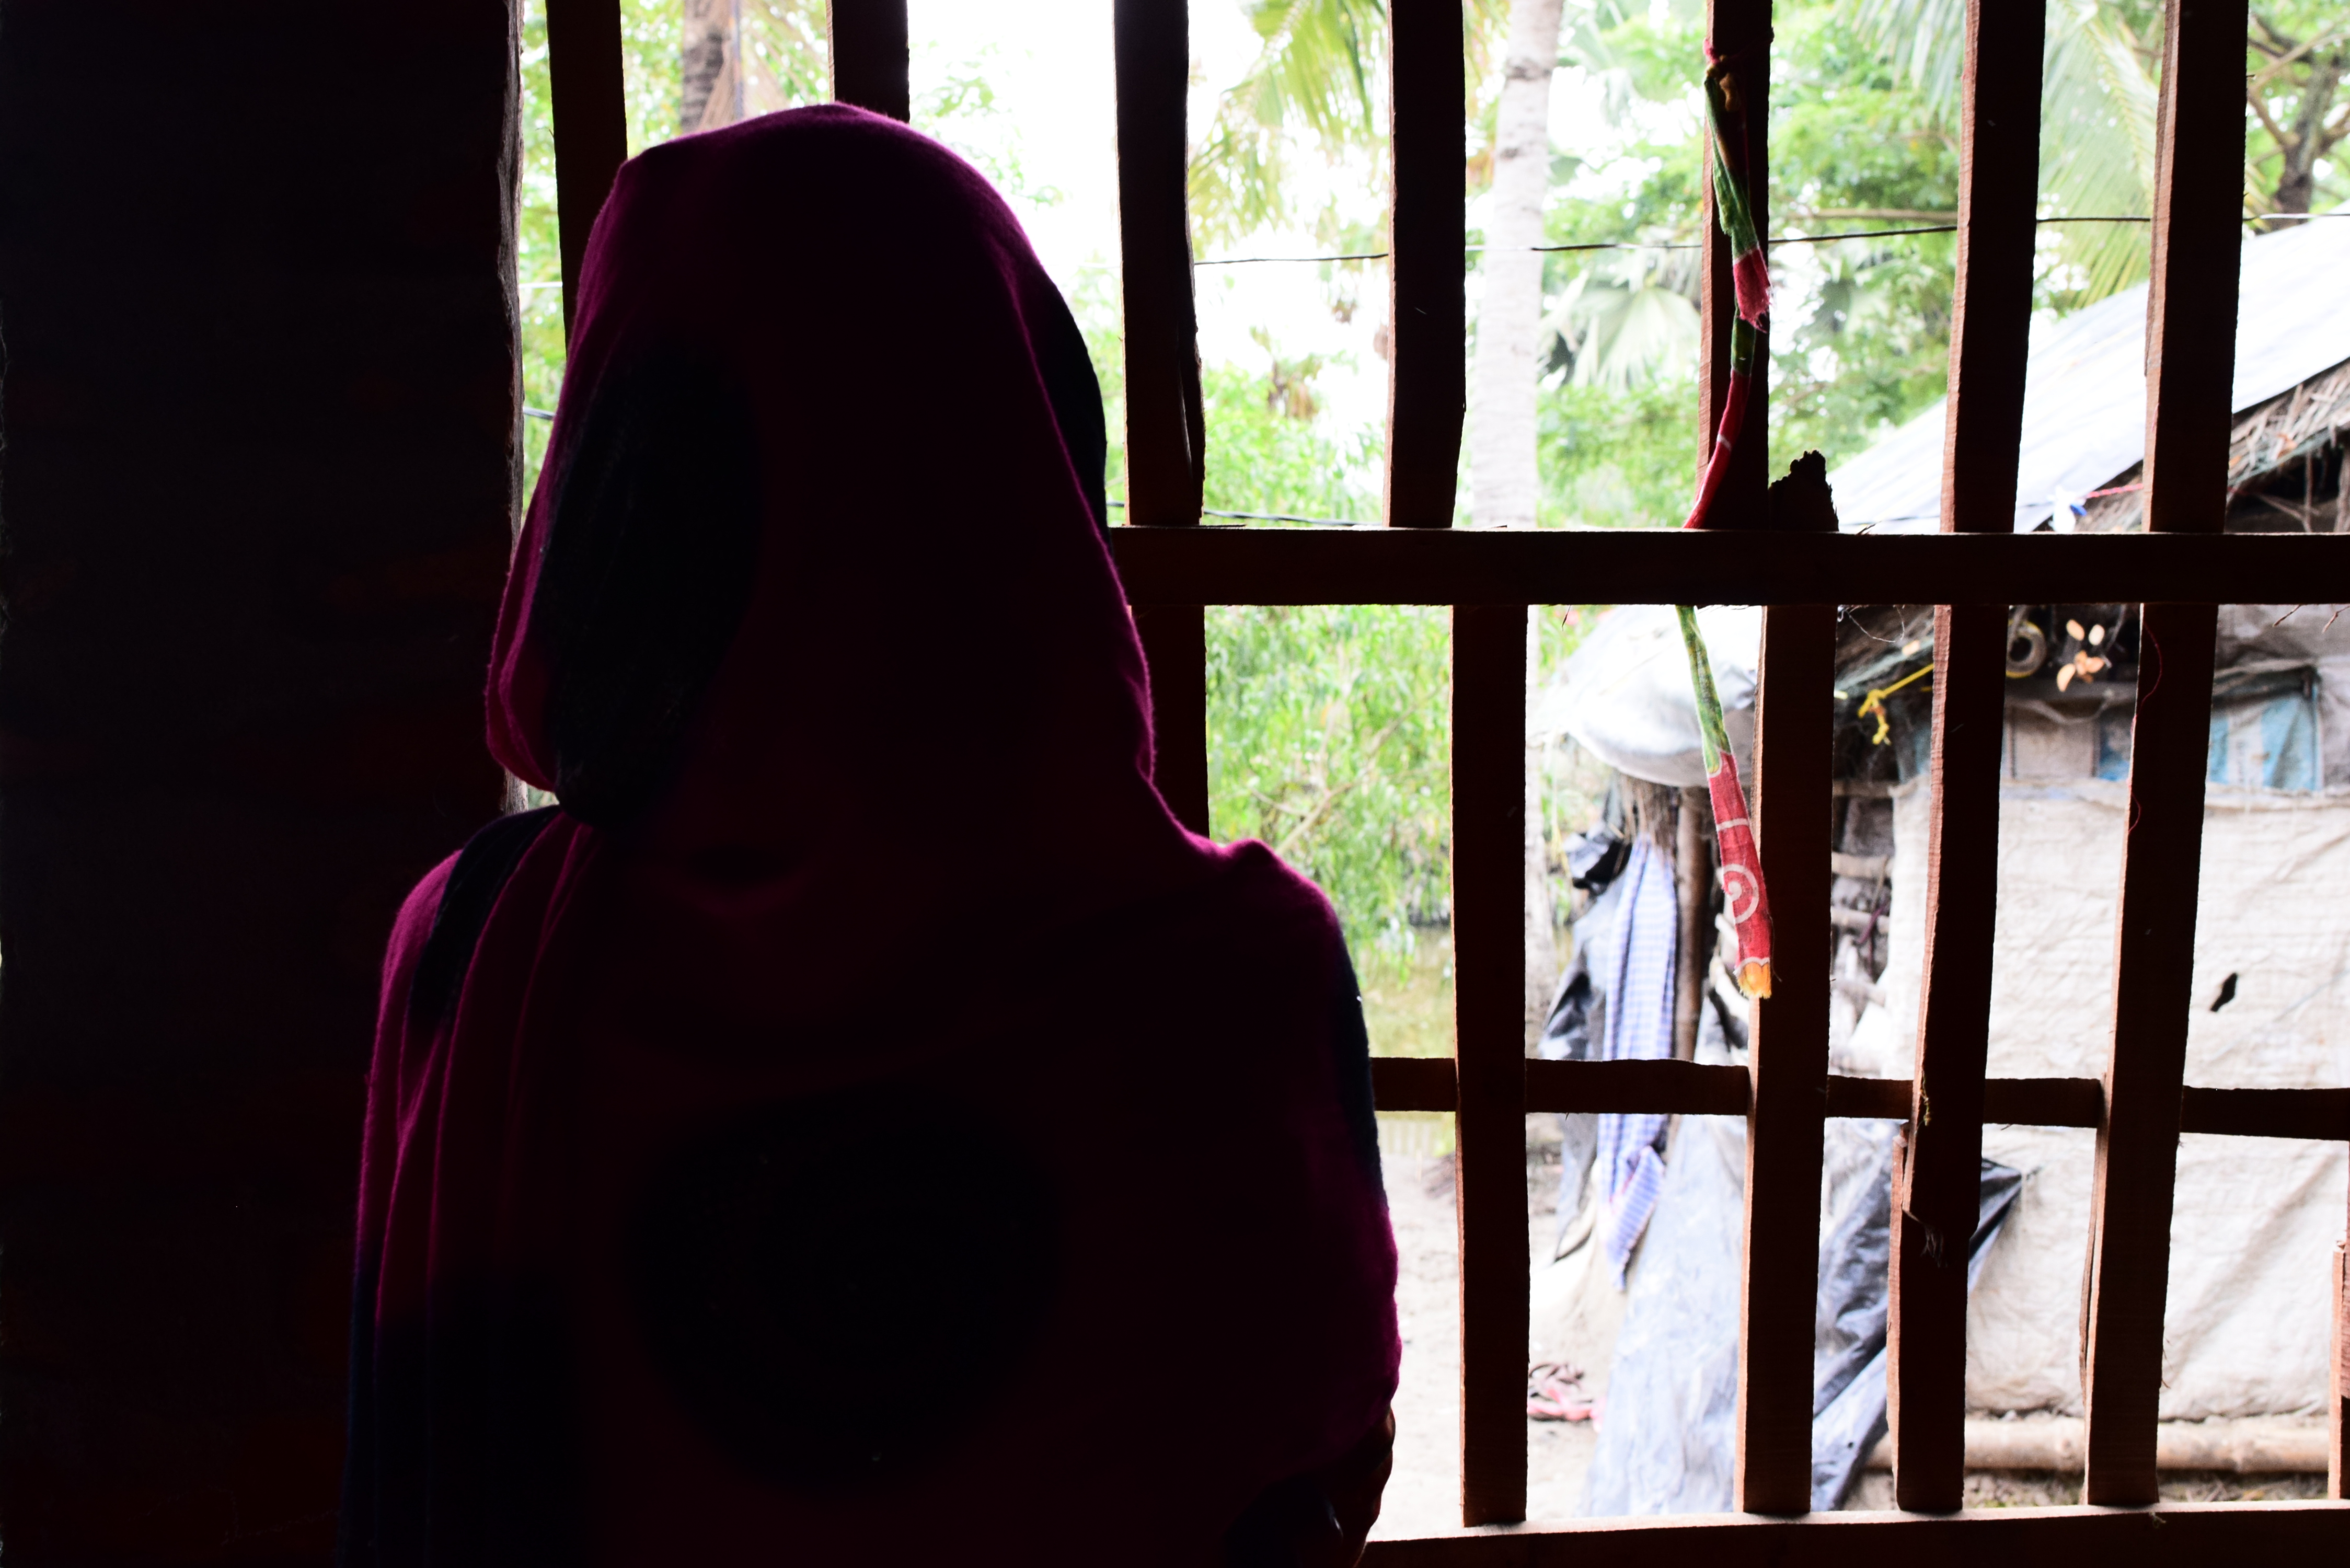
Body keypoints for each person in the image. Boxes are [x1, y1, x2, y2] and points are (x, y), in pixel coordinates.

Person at [339, 105, 1399, 1566]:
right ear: (1026, 461)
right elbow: (1313, 1482)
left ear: (623, 473)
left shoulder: (473, 947)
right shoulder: (1231, 982)